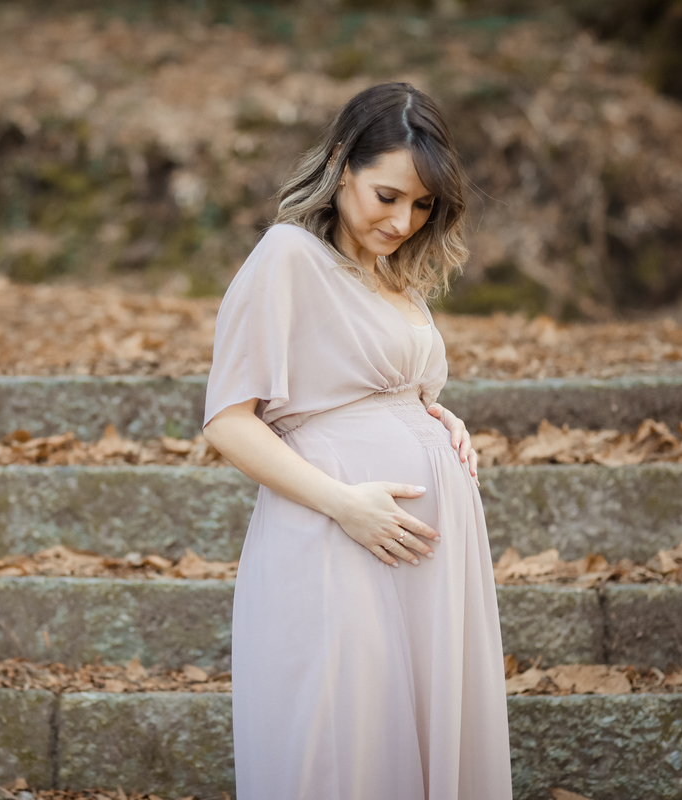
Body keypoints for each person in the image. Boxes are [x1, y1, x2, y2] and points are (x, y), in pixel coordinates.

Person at [201, 82, 512, 800]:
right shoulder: (287, 256)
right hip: (337, 535)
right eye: (387, 196)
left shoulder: (395, 279)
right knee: (346, 745)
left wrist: (434, 414)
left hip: (428, 554)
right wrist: (345, 505)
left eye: (424, 205)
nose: (405, 220)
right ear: (342, 165)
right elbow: (228, 420)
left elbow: (374, 387)